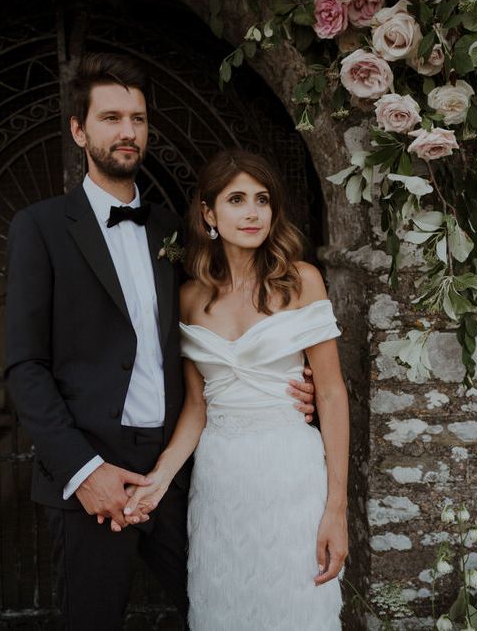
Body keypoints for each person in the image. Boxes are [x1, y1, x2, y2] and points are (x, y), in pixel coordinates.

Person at [5, 52, 316, 630]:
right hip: (90, 477)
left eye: (139, 119)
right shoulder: (39, 229)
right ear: (79, 130)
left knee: (222, 611)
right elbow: (25, 366)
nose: (128, 132)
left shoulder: (176, 231)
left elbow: (230, 320)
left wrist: (290, 384)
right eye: (111, 117)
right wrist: (82, 470)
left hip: (181, 470)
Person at [122, 149, 349, 630]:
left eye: (262, 200)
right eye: (237, 199)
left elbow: (330, 394)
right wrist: (158, 479)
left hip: (293, 474)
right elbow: (197, 408)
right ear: (209, 212)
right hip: (221, 480)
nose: (252, 212)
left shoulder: (302, 282)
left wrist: (336, 507)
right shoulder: (188, 298)